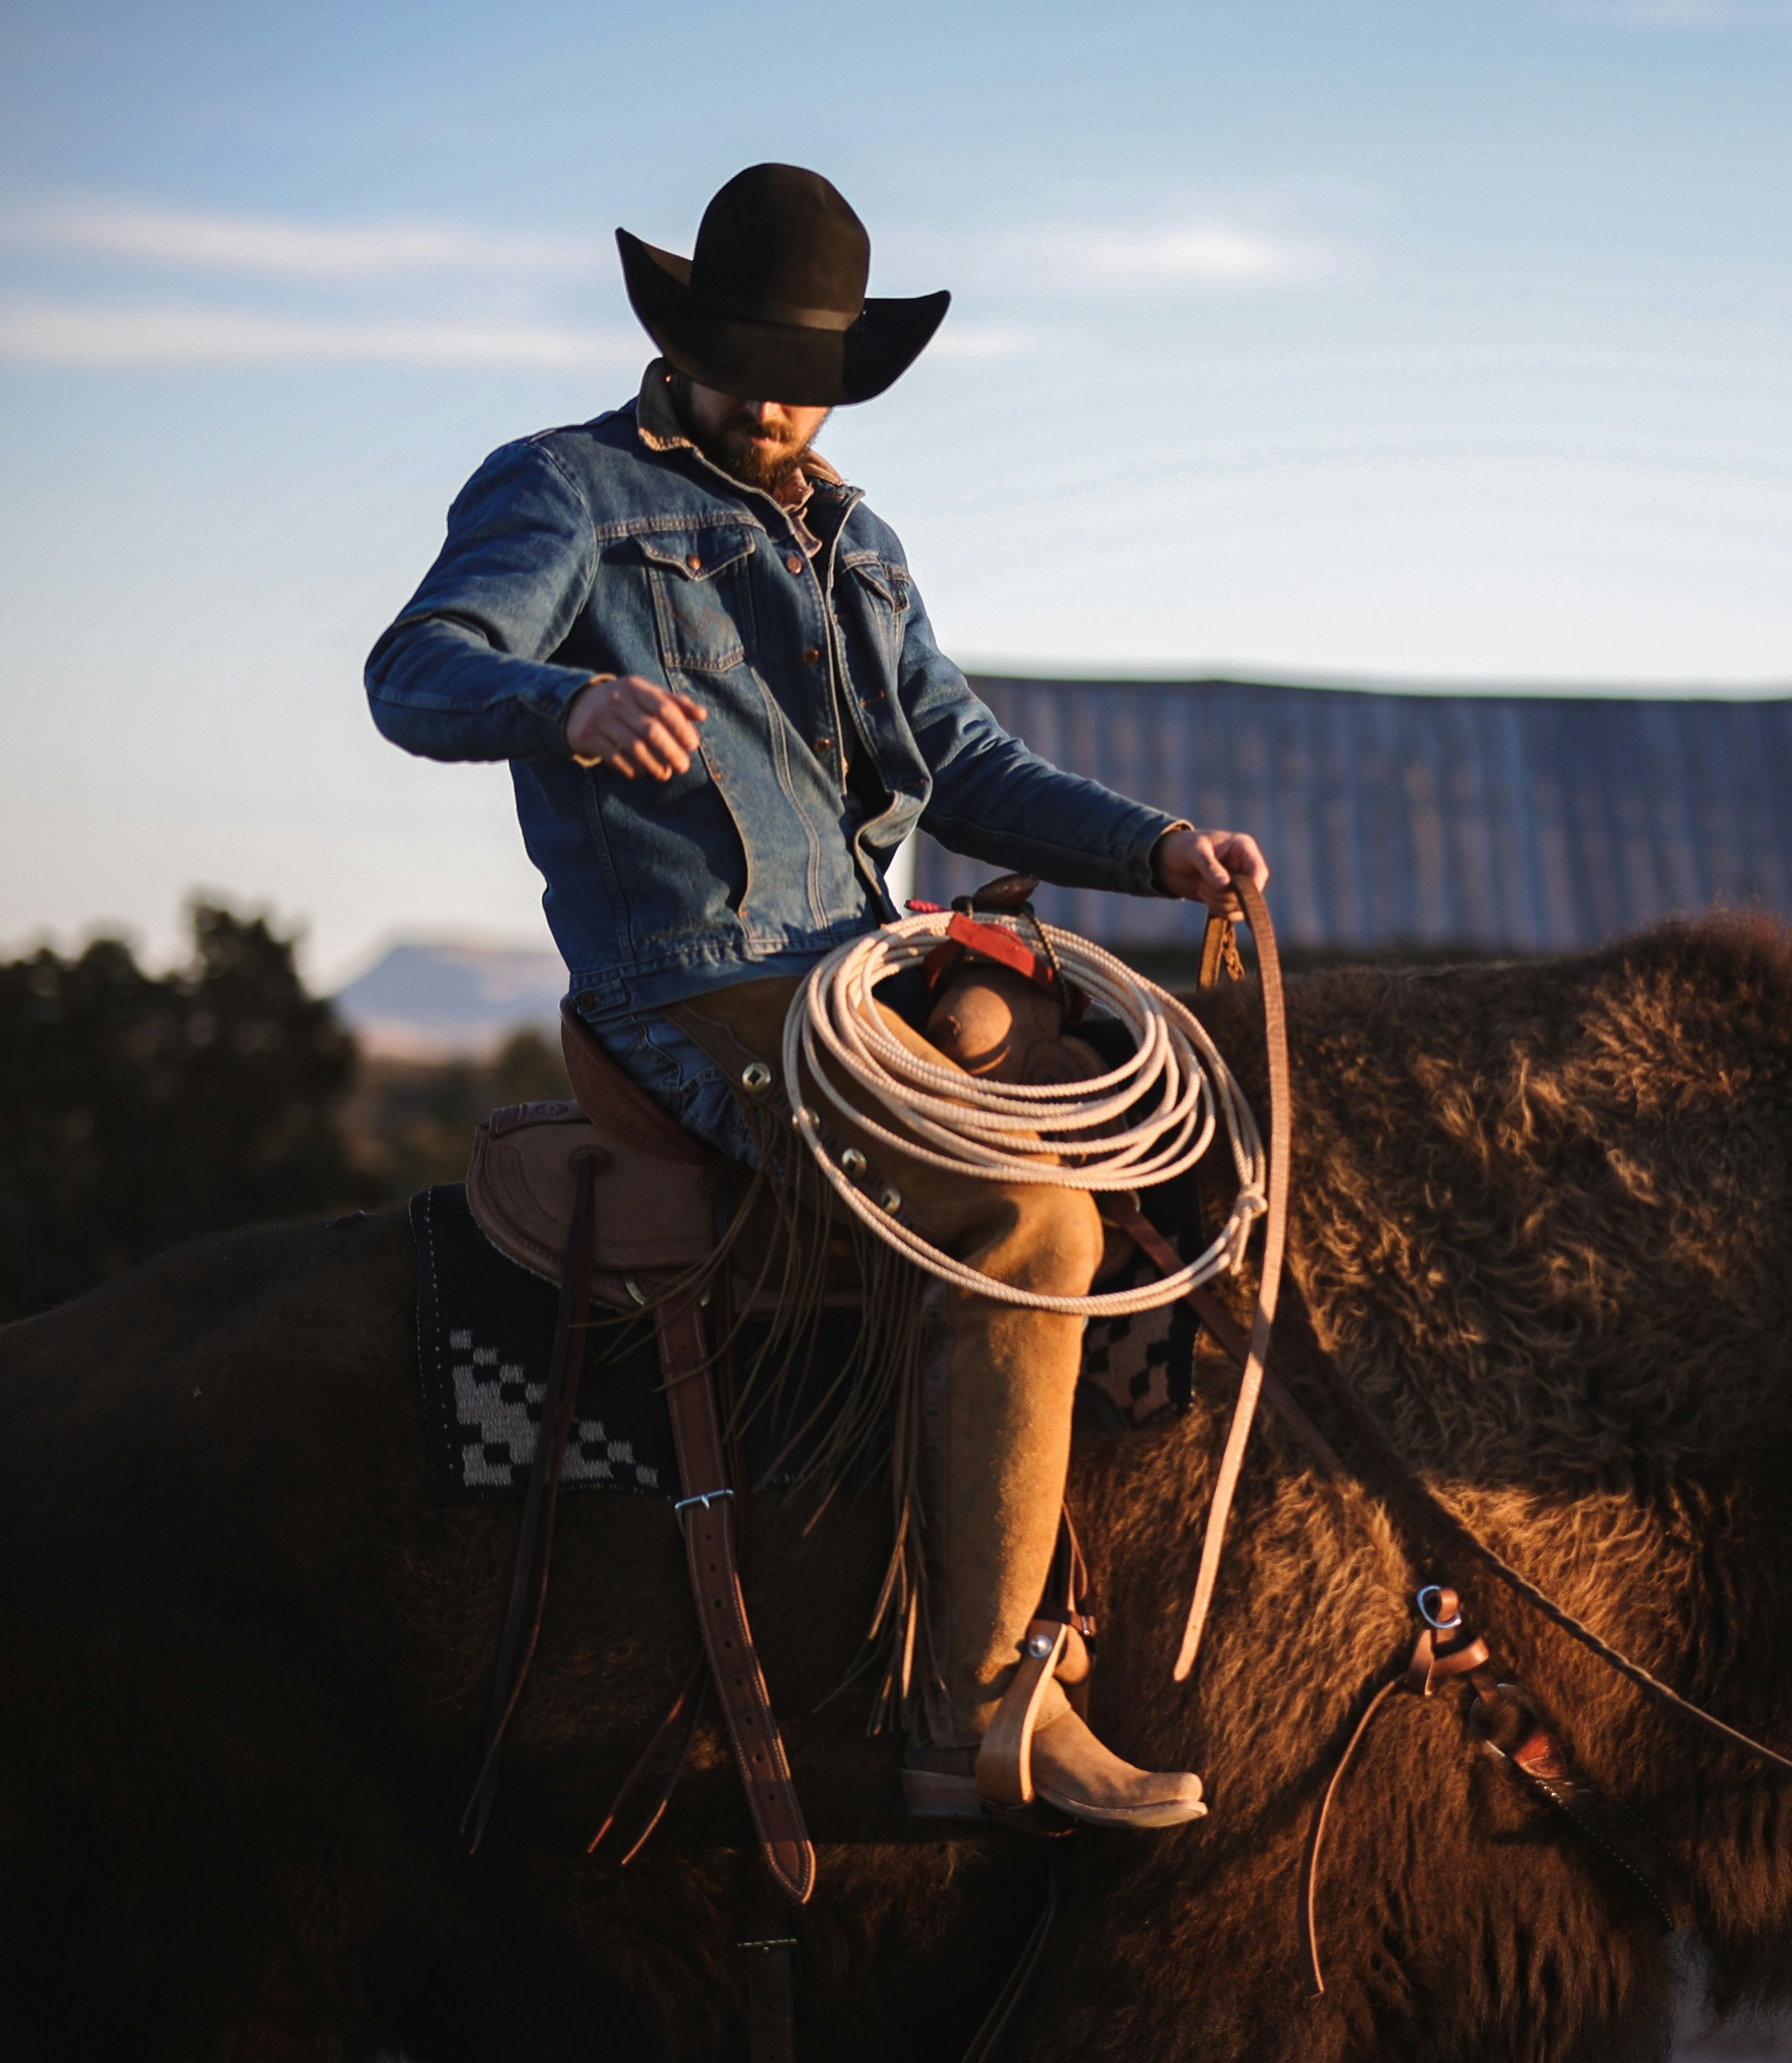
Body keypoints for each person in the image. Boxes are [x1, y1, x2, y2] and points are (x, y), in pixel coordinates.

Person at [366, 164, 1264, 1833]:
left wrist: (1158, 850)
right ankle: (979, 1717)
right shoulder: (566, 492)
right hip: (698, 988)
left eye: (818, 371)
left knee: (1180, 1146)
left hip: (870, 973)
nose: (785, 399)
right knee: (1021, 1221)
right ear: (686, 336)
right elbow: (415, 672)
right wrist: (566, 703)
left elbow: (966, 764)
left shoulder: (860, 538)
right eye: (758, 360)